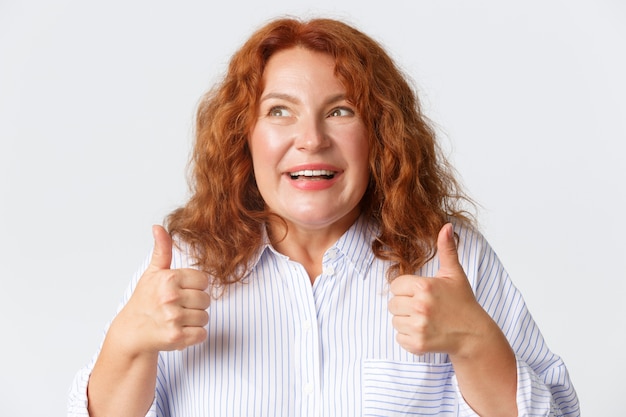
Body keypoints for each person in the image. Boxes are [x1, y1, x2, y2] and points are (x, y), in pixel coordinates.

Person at [68, 17, 579, 417]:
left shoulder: (449, 260)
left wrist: (475, 341)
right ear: (244, 138)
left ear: (379, 135)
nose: (311, 138)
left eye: (341, 110)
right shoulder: (183, 263)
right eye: (279, 111)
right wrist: (126, 343)